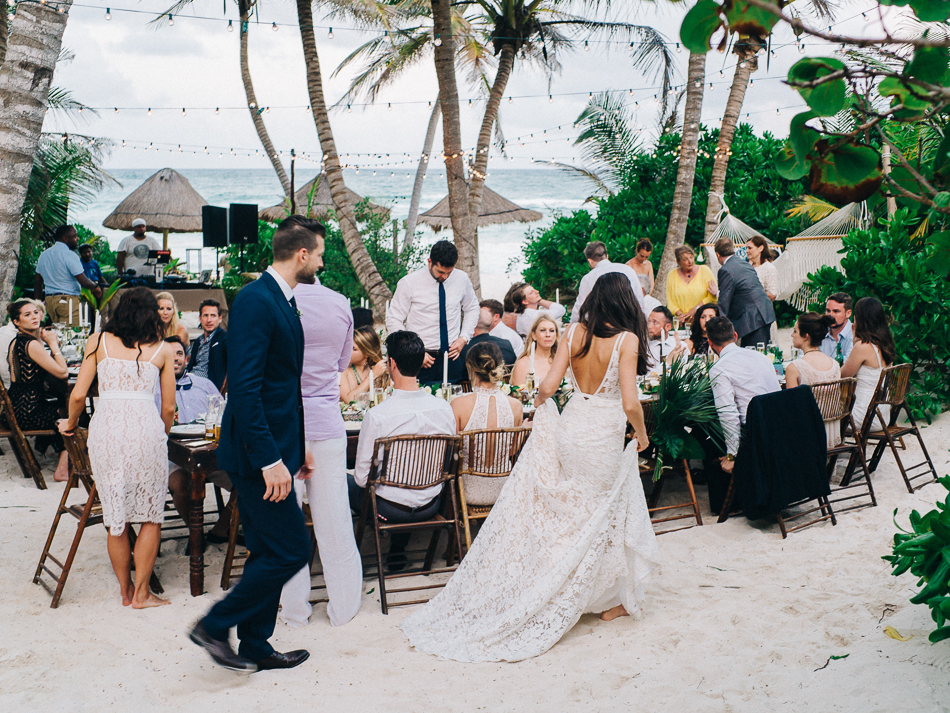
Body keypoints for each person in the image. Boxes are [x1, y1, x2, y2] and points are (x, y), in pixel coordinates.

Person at [401, 273, 659, 662]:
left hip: (572, 425)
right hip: (603, 432)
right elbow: (629, 402)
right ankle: (601, 598)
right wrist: (641, 435)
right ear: (626, 302)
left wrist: (540, 412)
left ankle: (584, 588)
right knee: (602, 512)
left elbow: (549, 386)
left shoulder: (573, 333)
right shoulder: (628, 340)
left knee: (573, 512)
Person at [191, 215, 321, 674]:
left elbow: (282, 386)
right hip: (255, 454)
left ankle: (255, 645)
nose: (320, 263)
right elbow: (244, 389)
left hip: (280, 445)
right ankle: (214, 624)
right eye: (320, 255)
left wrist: (297, 447)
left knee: (269, 551)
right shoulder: (254, 300)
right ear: (301, 254)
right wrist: (269, 458)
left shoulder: (283, 300)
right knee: (291, 550)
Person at [59, 287, 176, 608]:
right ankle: (142, 594)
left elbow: (79, 396)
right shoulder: (163, 350)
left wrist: (69, 424)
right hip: (146, 431)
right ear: (153, 315)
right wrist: (161, 435)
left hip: (106, 431)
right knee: (151, 516)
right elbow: (168, 409)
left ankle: (124, 592)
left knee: (116, 516)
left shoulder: (97, 342)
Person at [280, 261, 363, 630]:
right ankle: (343, 608)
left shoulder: (278, 302)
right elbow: (343, 362)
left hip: (286, 425)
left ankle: (296, 611)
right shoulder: (340, 302)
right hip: (327, 423)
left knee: (288, 521)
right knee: (335, 520)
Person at [348, 331, 456, 572]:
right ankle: (397, 551)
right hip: (431, 503)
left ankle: (349, 561)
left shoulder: (378, 415)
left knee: (344, 482)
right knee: (396, 484)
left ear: (391, 364)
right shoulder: (444, 409)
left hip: (391, 510)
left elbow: (363, 479)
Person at [159, 336, 233, 544]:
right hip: (173, 458)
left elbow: (223, 414)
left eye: (180, 354)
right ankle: (196, 532)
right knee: (181, 487)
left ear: (187, 358)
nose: (175, 358)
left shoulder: (204, 384)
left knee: (246, 484)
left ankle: (221, 528)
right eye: (169, 354)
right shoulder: (154, 389)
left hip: (210, 455)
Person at [706, 316, 781, 513]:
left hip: (754, 435)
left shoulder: (718, 369)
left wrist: (732, 454)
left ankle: (727, 504)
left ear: (710, 343)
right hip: (778, 426)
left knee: (708, 438)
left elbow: (728, 413)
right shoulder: (761, 357)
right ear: (736, 336)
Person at [386, 240, 479, 385]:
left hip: (453, 357)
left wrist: (464, 337)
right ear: (430, 262)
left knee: (454, 402)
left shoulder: (462, 279)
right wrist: (413, 352)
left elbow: (472, 307)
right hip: (420, 359)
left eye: (449, 272)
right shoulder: (408, 283)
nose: (445, 277)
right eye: (440, 272)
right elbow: (394, 319)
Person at [3, 300, 70, 481]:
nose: (34, 317)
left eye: (35, 312)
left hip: (14, 410)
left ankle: (53, 451)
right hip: (27, 413)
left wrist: (41, 338)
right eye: (27, 315)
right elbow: (62, 373)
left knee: (61, 404)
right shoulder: (31, 345)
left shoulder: (20, 341)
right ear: (16, 322)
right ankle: (63, 469)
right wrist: (53, 344)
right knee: (72, 414)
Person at [451, 342, 524, 507]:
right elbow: (512, 451)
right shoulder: (516, 406)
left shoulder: (458, 404)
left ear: (472, 370)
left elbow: (453, 453)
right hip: (504, 490)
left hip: (468, 491)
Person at [785, 313, 842, 446]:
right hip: (831, 434)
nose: (792, 335)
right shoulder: (835, 365)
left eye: (795, 331)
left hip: (807, 436)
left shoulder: (794, 367)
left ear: (806, 336)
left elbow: (791, 409)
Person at [842, 297, 895, 433]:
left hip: (862, 417)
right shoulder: (885, 344)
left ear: (860, 319)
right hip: (881, 416)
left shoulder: (863, 347)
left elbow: (843, 376)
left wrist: (855, 343)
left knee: (821, 415)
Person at [714, 238, 776, 348]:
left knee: (755, 356)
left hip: (752, 318)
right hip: (763, 312)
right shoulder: (745, 264)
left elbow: (724, 302)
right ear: (733, 251)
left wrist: (719, 329)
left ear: (718, 255)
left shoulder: (725, 270)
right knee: (757, 352)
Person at [34, 225, 102, 324]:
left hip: (50, 302)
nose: (77, 239)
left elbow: (37, 282)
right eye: (74, 236)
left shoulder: (44, 255)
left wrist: (38, 304)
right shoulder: (70, 255)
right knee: (72, 335)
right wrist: (95, 287)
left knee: (58, 334)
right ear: (65, 238)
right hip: (67, 301)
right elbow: (84, 281)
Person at [570, 240, 646, 323]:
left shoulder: (589, 278)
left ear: (590, 261)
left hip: (603, 328)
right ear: (607, 256)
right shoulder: (628, 270)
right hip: (630, 323)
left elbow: (580, 310)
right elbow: (639, 300)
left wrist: (572, 327)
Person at [665, 245, 717, 325]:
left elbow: (713, 297)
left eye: (691, 257)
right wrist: (681, 315)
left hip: (703, 323)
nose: (690, 261)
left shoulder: (705, 271)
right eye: (685, 259)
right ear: (678, 262)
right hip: (681, 323)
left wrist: (696, 309)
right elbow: (670, 301)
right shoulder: (671, 275)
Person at [340, 326, 389, 403]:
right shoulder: (343, 370)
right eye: (348, 347)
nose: (347, 351)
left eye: (354, 349)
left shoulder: (377, 368)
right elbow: (349, 400)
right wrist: (372, 375)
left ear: (367, 353)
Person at [187, 299, 227, 390]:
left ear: (220, 318)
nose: (209, 320)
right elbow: (191, 365)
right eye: (205, 315)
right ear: (200, 318)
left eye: (213, 316)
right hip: (189, 383)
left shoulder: (225, 339)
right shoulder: (198, 341)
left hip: (208, 388)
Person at [510, 316, 559, 388]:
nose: (548, 335)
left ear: (556, 335)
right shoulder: (523, 364)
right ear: (534, 335)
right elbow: (517, 395)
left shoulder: (560, 361)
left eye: (551, 331)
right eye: (543, 330)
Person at [820, 292, 854, 364]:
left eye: (836, 311)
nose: (830, 315)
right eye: (828, 311)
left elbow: (846, 365)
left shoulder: (854, 335)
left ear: (848, 313)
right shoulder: (819, 330)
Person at [646, 306, 678, 371]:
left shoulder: (678, 347)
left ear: (667, 327)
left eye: (655, 322)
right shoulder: (644, 348)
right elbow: (645, 377)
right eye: (649, 322)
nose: (649, 326)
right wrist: (667, 363)